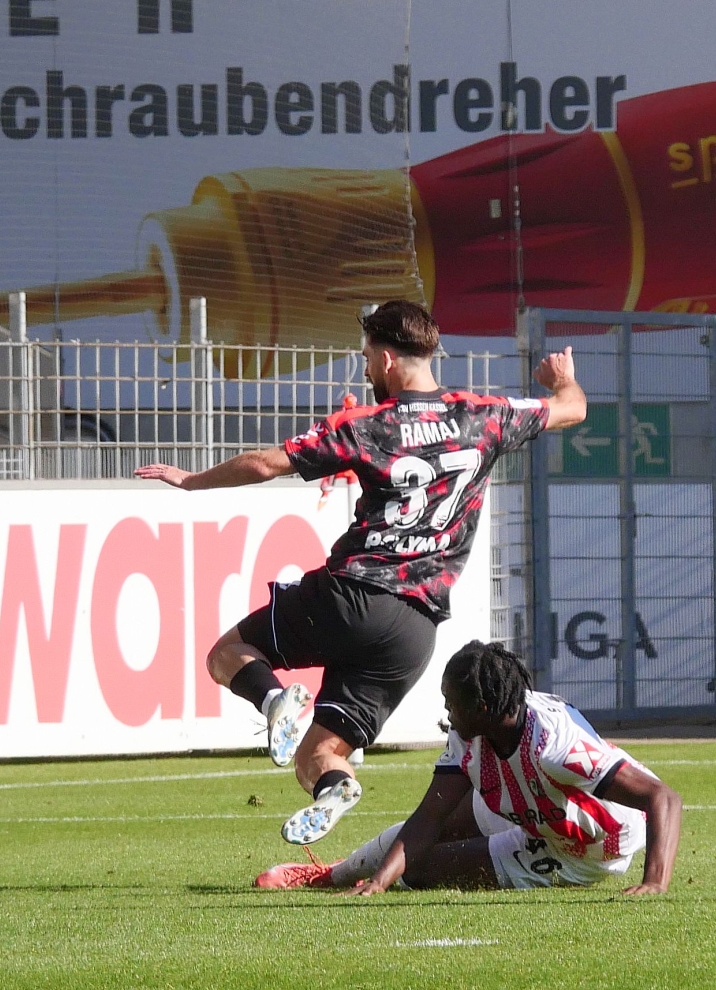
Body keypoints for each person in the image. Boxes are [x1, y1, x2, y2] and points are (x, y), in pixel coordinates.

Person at [135, 300, 586, 844]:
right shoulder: (484, 415)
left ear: (388, 359)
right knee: (319, 753)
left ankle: (275, 700)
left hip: (352, 595)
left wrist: (191, 481)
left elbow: (263, 463)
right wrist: (562, 378)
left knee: (227, 655)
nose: (367, 368)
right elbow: (572, 408)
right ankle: (335, 786)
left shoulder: (369, 425)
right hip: (414, 629)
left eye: (368, 357)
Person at [254, 641, 681, 896]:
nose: (446, 712)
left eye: (452, 703)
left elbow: (662, 798)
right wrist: (379, 881)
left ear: (482, 707)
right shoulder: (471, 734)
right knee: (423, 840)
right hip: (530, 803)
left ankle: (361, 872)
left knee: (420, 870)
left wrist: (655, 882)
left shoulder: (556, 745)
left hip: (584, 846)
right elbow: (429, 817)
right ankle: (331, 874)